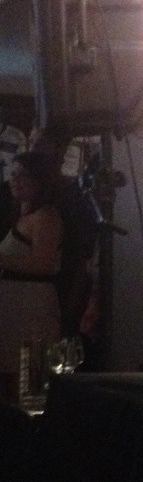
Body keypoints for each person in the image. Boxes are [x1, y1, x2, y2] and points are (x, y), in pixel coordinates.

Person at [0, 151, 64, 401]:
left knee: (28, 379)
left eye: (23, 175)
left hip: (32, 309)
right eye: (13, 174)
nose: (15, 181)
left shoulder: (46, 217)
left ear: (39, 180)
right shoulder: (22, 216)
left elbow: (44, 264)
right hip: (17, 309)